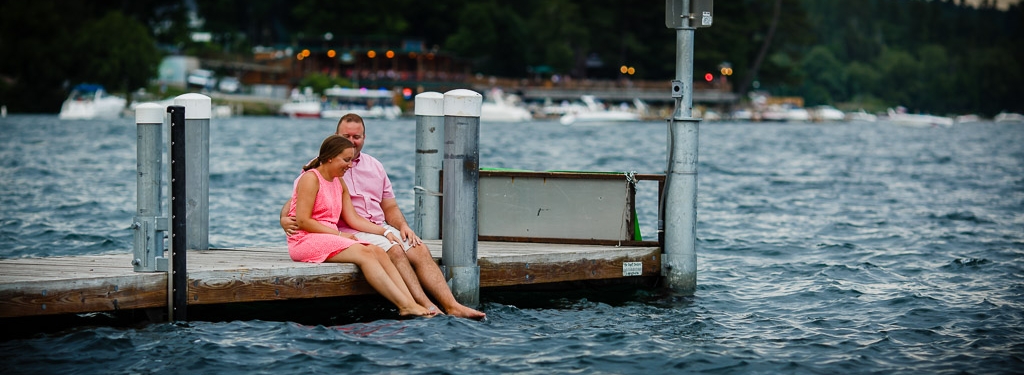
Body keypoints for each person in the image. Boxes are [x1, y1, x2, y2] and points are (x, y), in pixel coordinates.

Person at [282, 113, 486, 320]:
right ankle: (424, 305)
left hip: (370, 227)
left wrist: (395, 228)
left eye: (357, 137)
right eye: (347, 137)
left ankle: (451, 305)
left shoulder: (371, 167)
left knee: (419, 249)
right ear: (334, 146)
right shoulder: (318, 170)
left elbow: (390, 207)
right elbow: (298, 206)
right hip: (342, 232)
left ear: (364, 137)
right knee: (393, 251)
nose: (352, 143)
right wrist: (284, 220)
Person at [287, 134, 435, 318]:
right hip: (304, 240)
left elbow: (354, 219)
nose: (350, 165)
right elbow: (303, 221)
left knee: (379, 251)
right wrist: (340, 235)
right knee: (365, 253)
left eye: (351, 160)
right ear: (330, 157)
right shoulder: (310, 178)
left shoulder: (338, 181)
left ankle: (410, 303)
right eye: (346, 160)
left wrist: (385, 231)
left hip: (329, 237)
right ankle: (404, 305)